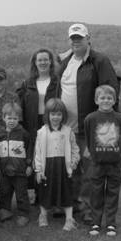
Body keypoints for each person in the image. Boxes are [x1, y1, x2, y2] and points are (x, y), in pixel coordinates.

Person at [58, 23, 119, 223]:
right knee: (72, 168)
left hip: (89, 129)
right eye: (73, 38)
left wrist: (106, 127)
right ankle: (74, 205)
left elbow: (110, 93)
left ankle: (90, 210)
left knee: (90, 171)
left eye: (79, 38)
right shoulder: (66, 62)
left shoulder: (99, 61)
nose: (76, 41)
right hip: (67, 128)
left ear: (88, 38)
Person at [17, 48, 61, 203]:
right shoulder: (27, 83)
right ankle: (32, 194)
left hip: (51, 121)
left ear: (50, 62)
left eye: (45, 59)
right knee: (32, 156)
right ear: (35, 63)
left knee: (50, 156)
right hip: (31, 122)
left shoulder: (57, 82)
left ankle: (49, 192)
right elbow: (20, 105)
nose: (43, 62)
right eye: (39, 60)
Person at [84, 85, 121, 237]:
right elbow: (89, 138)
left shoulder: (120, 119)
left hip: (115, 163)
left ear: (114, 100)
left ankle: (110, 223)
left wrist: (116, 152)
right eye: (102, 98)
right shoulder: (90, 119)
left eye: (109, 98)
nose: (106, 100)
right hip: (97, 163)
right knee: (96, 193)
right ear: (96, 100)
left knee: (112, 193)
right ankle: (95, 222)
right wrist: (94, 153)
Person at [34, 98, 80, 230]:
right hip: (47, 166)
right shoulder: (41, 132)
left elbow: (75, 149)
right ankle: (43, 216)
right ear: (47, 115)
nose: (56, 117)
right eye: (53, 114)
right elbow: (38, 152)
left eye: (59, 114)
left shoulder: (68, 131)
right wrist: (38, 170)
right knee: (45, 191)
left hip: (63, 167)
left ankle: (70, 219)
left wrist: (73, 162)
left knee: (66, 191)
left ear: (63, 115)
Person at [0, 102, 32, 226]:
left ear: (19, 119)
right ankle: (4, 210)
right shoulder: (1, 135)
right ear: (4, 118)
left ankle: (23, 213)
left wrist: (29, 165)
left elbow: (29, 149)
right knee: (4, 191)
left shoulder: (24, 134)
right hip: (5, 170)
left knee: (21, 193)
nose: (12, 121)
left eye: (15, 118)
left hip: (20, 170)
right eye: (9, 118)